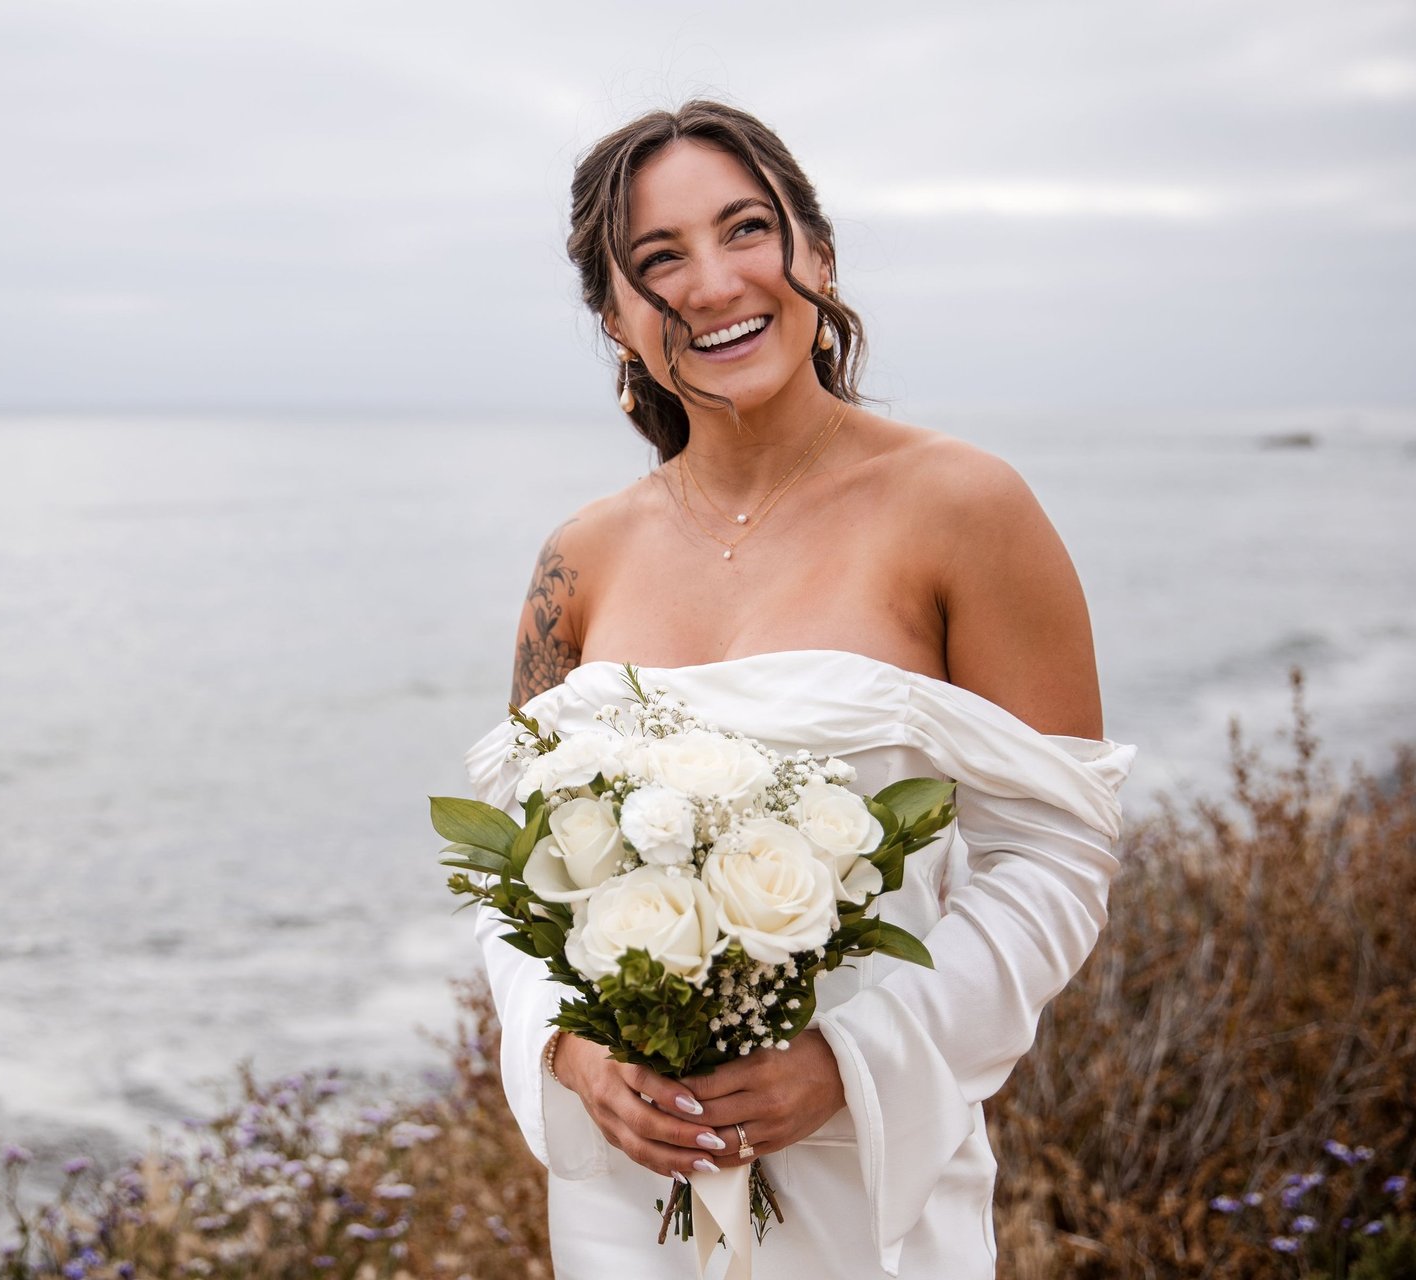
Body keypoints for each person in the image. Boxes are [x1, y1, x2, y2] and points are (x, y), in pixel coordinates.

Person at [464, 101, 1136, 1278]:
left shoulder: (965, 508)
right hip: (635, 1197)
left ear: (815, 255)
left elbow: (1055, 853)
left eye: (746, 230)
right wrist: (573, 1052)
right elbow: (520, 875)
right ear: (613, 318)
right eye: (658, 260)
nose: (714, 283)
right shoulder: (581, 559)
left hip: (864, 1178)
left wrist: (847, 1061)